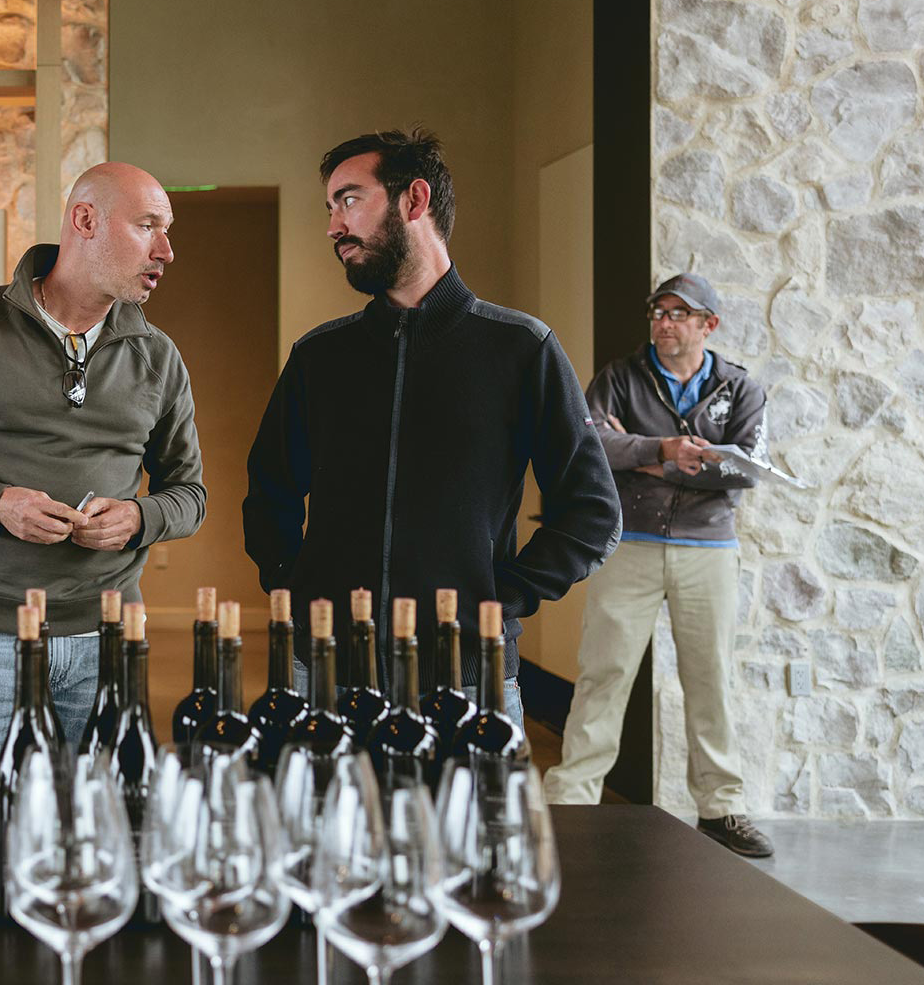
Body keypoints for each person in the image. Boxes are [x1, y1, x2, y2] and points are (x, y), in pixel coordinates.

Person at [243, 128, 621, 729]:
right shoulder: (320, 357)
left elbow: (593, 512)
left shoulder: (521, 350)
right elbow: (269, 491)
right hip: (327, 679)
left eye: (349, 199)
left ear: (413, 201)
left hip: (470, 685)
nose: (334, 226)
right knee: (325, 827)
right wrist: (294, 586)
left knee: (474, 829)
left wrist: (500, 601)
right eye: (331, 206)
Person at [0, 162, 207, 788]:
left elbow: (190, 495)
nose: (166, 250)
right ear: (85, 221)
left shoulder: (157, 356)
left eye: (167, 230)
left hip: (108, 644)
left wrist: (139, 517)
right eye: (148, 227)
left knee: (94, 853)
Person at [543, 274, 774, 857]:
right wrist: (668, 449)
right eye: (659, 311)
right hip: (630, 546)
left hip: (710, 554)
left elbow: (747, 470)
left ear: (707, 325)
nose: (664, 321)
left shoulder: (740, 387)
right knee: (604, 674)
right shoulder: (620, 378)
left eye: (679, 313)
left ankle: (721, 809)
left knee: (710, 680)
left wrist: (646, 459)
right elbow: (590, 443)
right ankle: (571, 802)